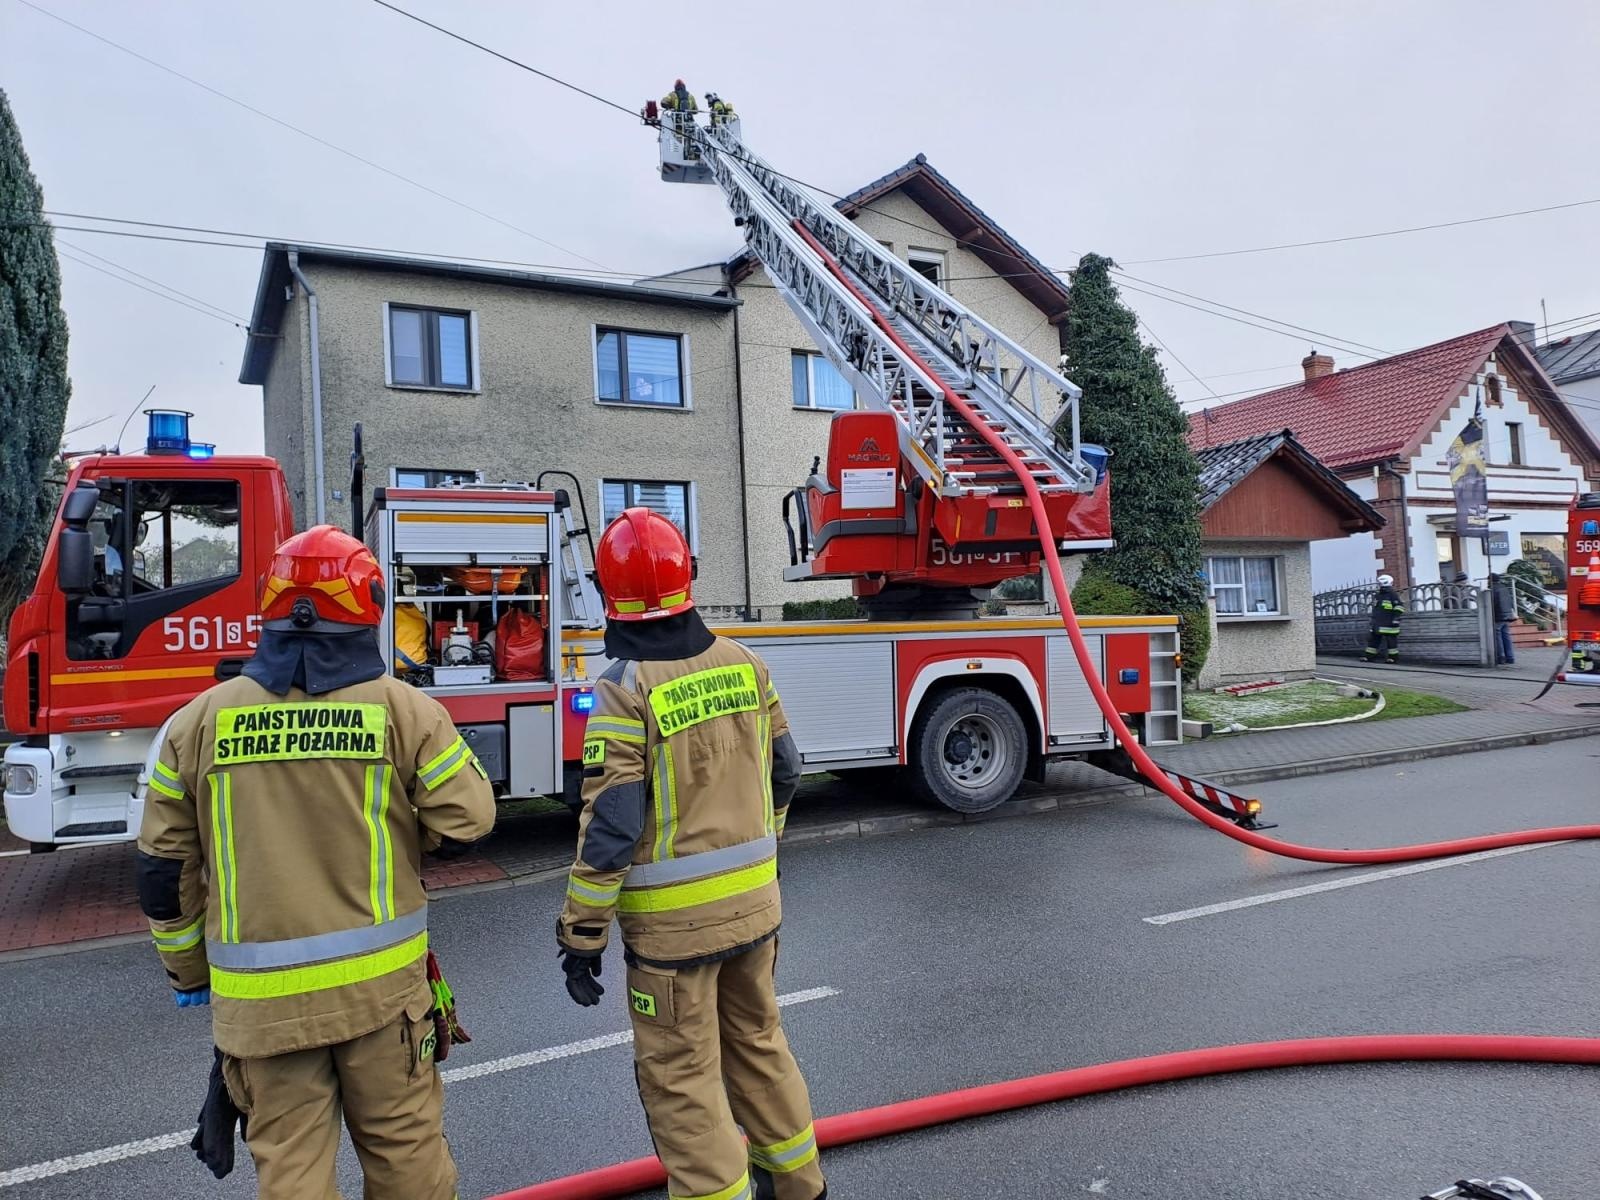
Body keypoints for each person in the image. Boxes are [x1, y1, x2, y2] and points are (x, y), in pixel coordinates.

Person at [137, 525, 495, 1199]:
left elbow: (162, 869)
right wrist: (401, 837)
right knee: (408, 1165)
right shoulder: (402, 710)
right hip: (383, 1001)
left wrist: (189, 971)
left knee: (293, 1178)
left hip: (262, 1015)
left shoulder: (196, 722)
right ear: (370, 605)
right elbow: (469, 820)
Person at [556, 508, 826, 1200]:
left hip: (674, 940)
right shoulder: (746, 663)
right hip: (757, 913)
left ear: (610, 594)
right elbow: (788, 768)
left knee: (683, 1082)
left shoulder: (624, 687)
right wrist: (763, 849)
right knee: (761, 1049)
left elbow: (612, 827)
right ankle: (802, 1189)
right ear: (689, 579)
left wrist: (582, 934)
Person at [1364, 573, 1404, 663]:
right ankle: (1369, 657)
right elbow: (1376, 609)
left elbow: (1399, 606)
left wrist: (1395, 618)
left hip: (1389, 623)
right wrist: (1373, 621)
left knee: (1391, 642)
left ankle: (1393, 658)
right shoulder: (1378, 596)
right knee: (1373, 641)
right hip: (1379, 623)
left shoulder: (1392, 594)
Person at [1489, 572, 1517, 665]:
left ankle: (1501, 657)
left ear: (1491, 580)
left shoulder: (1492, 590)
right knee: (1506, 636)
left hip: (1498, 616)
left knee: (1498, 637)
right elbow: (1510, 601)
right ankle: (1510, 657)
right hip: (1507, 615)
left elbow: (1492, 603)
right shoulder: (1504, 588)